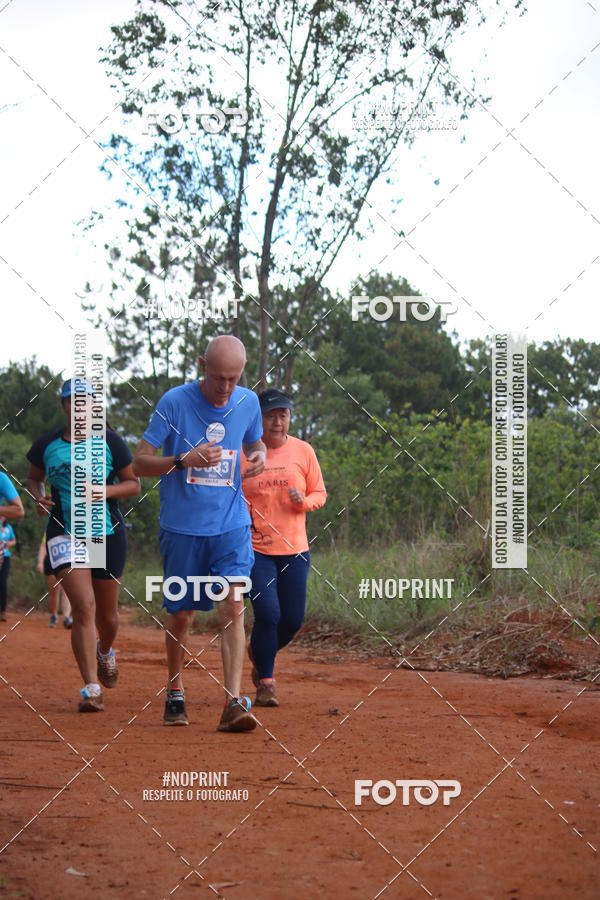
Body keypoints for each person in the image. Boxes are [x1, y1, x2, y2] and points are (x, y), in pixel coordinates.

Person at [133, 334, 266, 731]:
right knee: (182, 615)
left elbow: (255, 441)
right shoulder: (174, 402)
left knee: (233, 606)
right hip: (182, 530)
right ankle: (175, 689)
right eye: (218, 377)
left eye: (234, 378)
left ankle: (233, 702)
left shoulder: (249, 402)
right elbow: (139, 463)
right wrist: (181, 459)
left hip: (231, 526)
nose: (226, 387)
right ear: (201, 365)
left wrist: (258, 455)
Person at [26, 378, 140, 712]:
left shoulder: (111, 442)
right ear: (63, 406)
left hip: (105, 532)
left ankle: (105, 651)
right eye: (71, 402)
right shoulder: (47, 444)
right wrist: (37, 496)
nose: (78, 408)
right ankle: (91, 686)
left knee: (108, 616)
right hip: (64, 532)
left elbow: (132, 484)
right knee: (83, 607)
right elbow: (34, 477)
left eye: (85, 402)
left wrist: (104, 492)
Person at [242, 388, 326, 707]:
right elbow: (231, 496)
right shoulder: (245, 453)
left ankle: (258, 652)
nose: (277, 421)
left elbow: (320, 492)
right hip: (255, 549)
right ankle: (266, 682)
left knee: (292, 619)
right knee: (268, 612)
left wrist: (304, 502)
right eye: (270, 415)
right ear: (258, 418)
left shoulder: (303, 451)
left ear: (290, 417)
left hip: (295, 549)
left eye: (283, 415)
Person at [37, 535, 72, 628]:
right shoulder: (52, 526)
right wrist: (40, 562)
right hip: (52, 559)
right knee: (54, 590)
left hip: (67, 559)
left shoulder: (74, 526)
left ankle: (67, 618)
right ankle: (54, 615)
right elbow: (44, 545)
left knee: (66, 590)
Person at [0, 517, 17, 622]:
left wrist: (9, 543)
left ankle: (3, 612)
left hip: (5, 557)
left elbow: (14, 540)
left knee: (3, 583)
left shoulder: (8, 527)